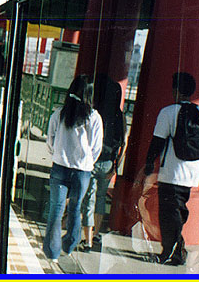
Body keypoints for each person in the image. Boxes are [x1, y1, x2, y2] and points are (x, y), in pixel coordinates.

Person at [143, 72, 199, 266]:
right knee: (178, 213)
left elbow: (157, 141)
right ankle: (177, 250)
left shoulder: (168, 112)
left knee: (169, 215)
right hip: (191, 175)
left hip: (171, 173)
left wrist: (149, 164)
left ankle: (170, 253)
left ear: (175, 90)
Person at [43, 74, 103, 261]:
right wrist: (84, 160)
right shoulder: (94, 117)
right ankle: (69, 246)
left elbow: (50, 141)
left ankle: (52, 253)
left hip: (59, 167)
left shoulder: (59, 114)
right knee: (76, 208)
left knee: (57, 209)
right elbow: (96, 148)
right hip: (82, 171)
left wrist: (60, 154)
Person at [79, 75, 126, 251]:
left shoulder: (95, 113)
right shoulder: (119, 116)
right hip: (108, 163)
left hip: (92, 161)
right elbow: (124, 142)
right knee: (100, 199)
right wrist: (116, 165)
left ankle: (88, 240)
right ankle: (97, 234)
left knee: (89, 198)